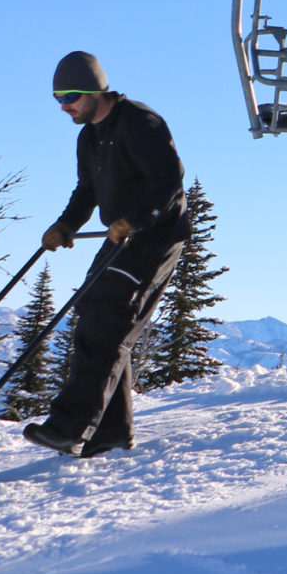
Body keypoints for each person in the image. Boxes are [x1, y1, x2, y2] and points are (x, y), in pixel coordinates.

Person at [24, 52, 190, 457]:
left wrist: (134, 220)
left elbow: (169, 179)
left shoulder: (140, 121)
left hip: (156, 236)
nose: (65, 106)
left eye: (71, 96)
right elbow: (87, 191)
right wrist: (65, 226)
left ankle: (70, 426)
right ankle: (111, 431)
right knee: (93, 313)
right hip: (122, 236)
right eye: (58, 98)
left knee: (108, 314)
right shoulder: (89, 136)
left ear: (96, 90)